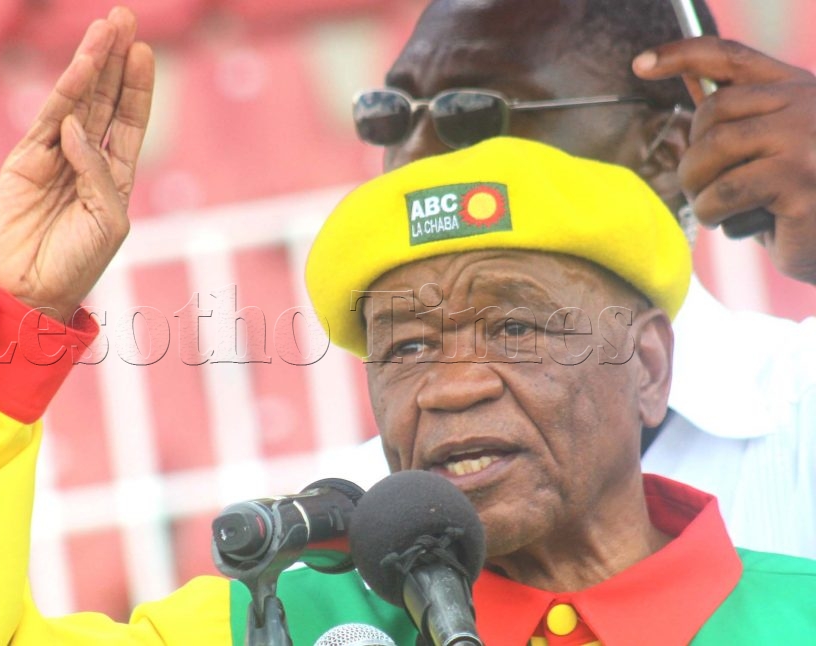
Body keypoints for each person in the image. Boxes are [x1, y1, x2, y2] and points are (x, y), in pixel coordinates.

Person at [0, 3, 816, 638]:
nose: (454, 383)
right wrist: (12, 327)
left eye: (514, 329)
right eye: (410, 345)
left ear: (650, 365)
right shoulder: (295, 607)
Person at [346, 0, 816, 559]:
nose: (412, 161)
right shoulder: (353, 514)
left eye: (472, 114)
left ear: (668, 151)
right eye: (391, 116)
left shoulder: (798, 413)